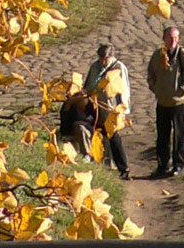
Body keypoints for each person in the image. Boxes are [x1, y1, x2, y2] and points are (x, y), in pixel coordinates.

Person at [146, 25, 184, 178]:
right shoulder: (157, 55)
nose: (173, 40)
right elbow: (151, 74)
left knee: (179, 135)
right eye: (170, 37)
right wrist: (157, 89)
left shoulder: (183, 56)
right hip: (162, 102)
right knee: (162, 136)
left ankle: (178, 165)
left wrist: (180, 92)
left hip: (178, 103)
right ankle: (162, 165)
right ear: (164, 39)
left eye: (176, 37)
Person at [84, 42, 133, 180]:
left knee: (114, 137)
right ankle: (103, 166)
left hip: (112, 108)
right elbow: (88, 85)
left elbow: (125, 90)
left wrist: (124, 109)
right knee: (99, 135)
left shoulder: (119, 67)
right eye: (101, 58)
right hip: (97, 106)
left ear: (112, 57)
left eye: (106, 59)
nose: (103, 62)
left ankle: (123, 168)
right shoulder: (95, 66)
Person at [56, 77, 98, 159]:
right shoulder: (68, 107)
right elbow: (65, 125)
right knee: (81, 129)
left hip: (91, 130)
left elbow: (96, 120)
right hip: (75, 131)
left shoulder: (90, 106)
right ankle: (87, 154)